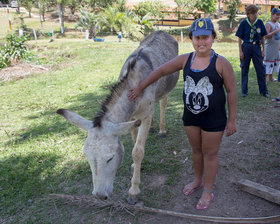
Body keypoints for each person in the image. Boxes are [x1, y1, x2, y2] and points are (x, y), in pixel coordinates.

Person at [128, 18, 237, 210]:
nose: (201, 41)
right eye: (197, 38)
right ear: (191, 39)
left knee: (210, 154)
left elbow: (232, 91)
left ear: (213, 38)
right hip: (191, 118)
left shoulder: (221, 63)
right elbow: (160, 71)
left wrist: (232, 120)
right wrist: (141, 86)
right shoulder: (185, 60)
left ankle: (208, 189)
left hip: (214, 120)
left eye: (206, 37)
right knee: (196, 151)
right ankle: (197, 180)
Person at [235, 4, 270, 98]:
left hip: (256, 47)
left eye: (256, 13)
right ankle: (244, 91)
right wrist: (240, 51)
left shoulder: (260, 22)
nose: (255, 15)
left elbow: (263, 36)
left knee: (261, 69)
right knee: (244, 69)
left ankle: (264, 91)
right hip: (246, 47)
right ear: (248, 14)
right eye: (253, 13)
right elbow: (239, 38)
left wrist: (263, 50)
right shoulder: (243, 23)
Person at [264, 8, 280, 82]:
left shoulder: (278, 24)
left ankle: (271, 78)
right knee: (268, 64)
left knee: (274, 63)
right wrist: (275, 31)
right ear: (272, 15)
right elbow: (265, 35)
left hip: (276, 48)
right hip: (270, 47)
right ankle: (264, 79)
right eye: (277, 15)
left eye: (279, 15)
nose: (278, 16)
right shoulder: (268, 24)